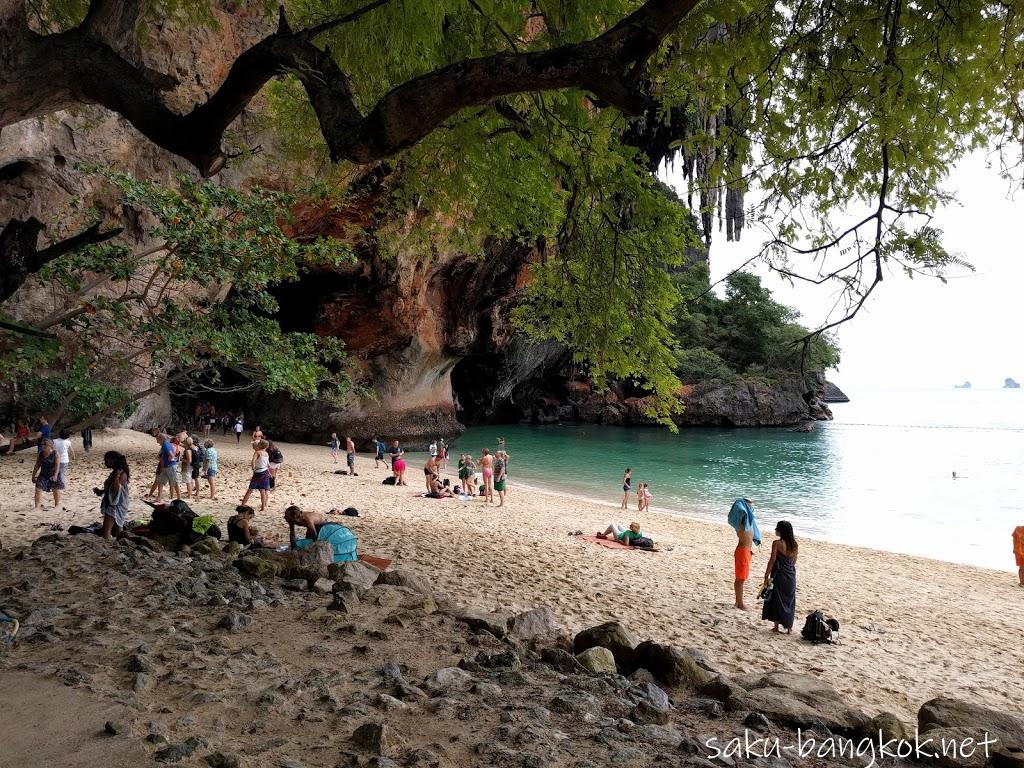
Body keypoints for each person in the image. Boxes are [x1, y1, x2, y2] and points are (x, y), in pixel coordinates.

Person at [762, 521, 798, 633]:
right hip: (791, 575)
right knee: (789, 601)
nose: (775, 530)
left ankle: (776, 627)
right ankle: (789, 628)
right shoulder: (795, 545)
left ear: (781, 531)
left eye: (777, 528)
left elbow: (772, 560)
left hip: (779, 575)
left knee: (777, 600)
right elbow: (794, 561)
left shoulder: (777, 543)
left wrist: (766, 574)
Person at [728, 498, 761, 610]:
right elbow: (738, 507)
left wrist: (748, 505)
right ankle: (739, 603)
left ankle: (738, 602)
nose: (751, 508)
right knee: (740, 578)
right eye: (749, 506)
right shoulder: (742, 519)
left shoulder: (749, 522)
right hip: (742, 551)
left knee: (742, 578)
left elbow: (752, 513)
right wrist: (743, 502)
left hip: (746, 552)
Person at [95, 451, 130, 540]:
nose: (105, 463)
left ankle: (110, 549)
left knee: (106, 531)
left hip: (116, 505)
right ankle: (119, 546)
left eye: (107, 461)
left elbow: (115, 489)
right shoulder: (116, 472)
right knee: (118, 529)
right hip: (115, 504)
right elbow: (111, 489)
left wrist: (117, 475)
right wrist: (101, 491)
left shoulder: (121, 474)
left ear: (113, 461)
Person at [32, 438, 63, 508]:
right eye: (42, 444)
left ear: (50, 446)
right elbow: (37, 465)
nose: (43, 446)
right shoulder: (41, 454)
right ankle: (37, 506)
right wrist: (33, 475)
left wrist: (55, 476)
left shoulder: (55, 453)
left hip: (53, 473)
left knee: (55, 489)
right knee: (38, 487)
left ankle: (57, 505)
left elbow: (57, 466)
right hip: (43, 474)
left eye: (45, 444)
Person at [240, 440, 271, 511]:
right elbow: (268, 464)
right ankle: (263, 507)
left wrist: (253, 467)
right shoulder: (266, 453)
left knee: (250, 489)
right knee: (262, 490)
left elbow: (253, 460)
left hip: (258, 473)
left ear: (259, 445)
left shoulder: (257, 452)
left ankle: (242, 504)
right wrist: (269, 472)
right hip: (265, 472)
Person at [150, 431, 180, 502]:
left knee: (174, 483)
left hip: (170, 467)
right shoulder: (166, 444)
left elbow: (171, 455)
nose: (157, 441)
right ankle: (159, 498)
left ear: (161, 439)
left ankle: (179, 498)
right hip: (165, 467)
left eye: (157, 439)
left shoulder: (166, 445)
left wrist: (169, 459)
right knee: (160, 482)